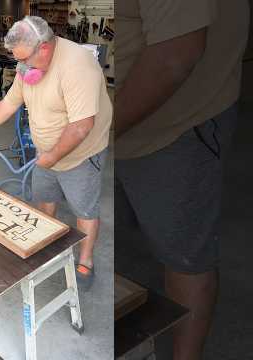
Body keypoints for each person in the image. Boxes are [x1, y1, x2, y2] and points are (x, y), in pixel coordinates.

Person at [115, 1, 250, 359]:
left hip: (174, 126)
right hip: (119, 129)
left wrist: (100, 131)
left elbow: (176, 55)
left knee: (185, 256)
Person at [0, 16, 112, 289]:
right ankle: (46, 243)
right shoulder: (26, 67)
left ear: (43, 48)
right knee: (45, 198)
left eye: (26, 59)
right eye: (18, 59)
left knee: (84, 209)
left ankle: (86, 261)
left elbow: (81, 126)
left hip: (81, 154)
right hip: (45, 151)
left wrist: (53, 157)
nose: (22, 67)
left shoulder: (78, 66)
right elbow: (7, 105)